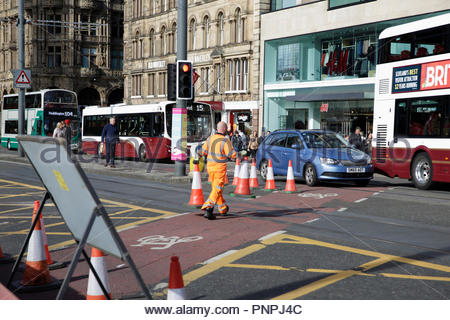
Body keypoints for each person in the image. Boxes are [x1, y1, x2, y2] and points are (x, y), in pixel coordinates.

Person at [200, 121, 237, 220]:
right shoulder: (225, 140)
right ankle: (208, 208)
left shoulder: (210, 138)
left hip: (210, 167)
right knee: (217, 188)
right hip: (219, 168)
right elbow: (231, 154)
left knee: (216, 189)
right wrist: (239, 154)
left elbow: (203, 151)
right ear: (224, 129)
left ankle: (223, 208)